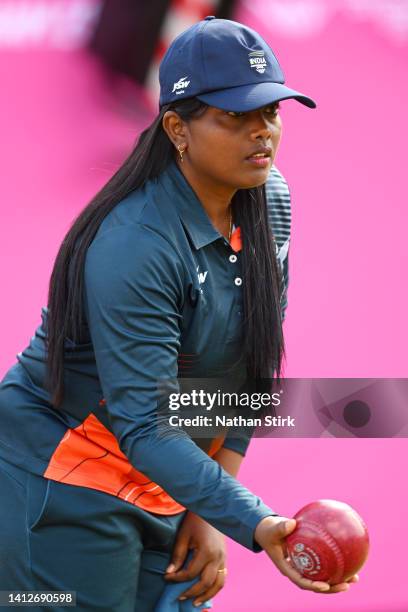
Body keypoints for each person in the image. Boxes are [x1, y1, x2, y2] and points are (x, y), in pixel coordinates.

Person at [0, 16, 358, 612]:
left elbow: (254, 362)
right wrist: (256, 522)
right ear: (177, 128)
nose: (262, 132)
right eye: (235, 117)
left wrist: (213, 510)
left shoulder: (271, 199)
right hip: (61, 484)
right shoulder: (135, 243)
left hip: (166, 475)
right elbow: (145, 423)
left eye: (271, 112)